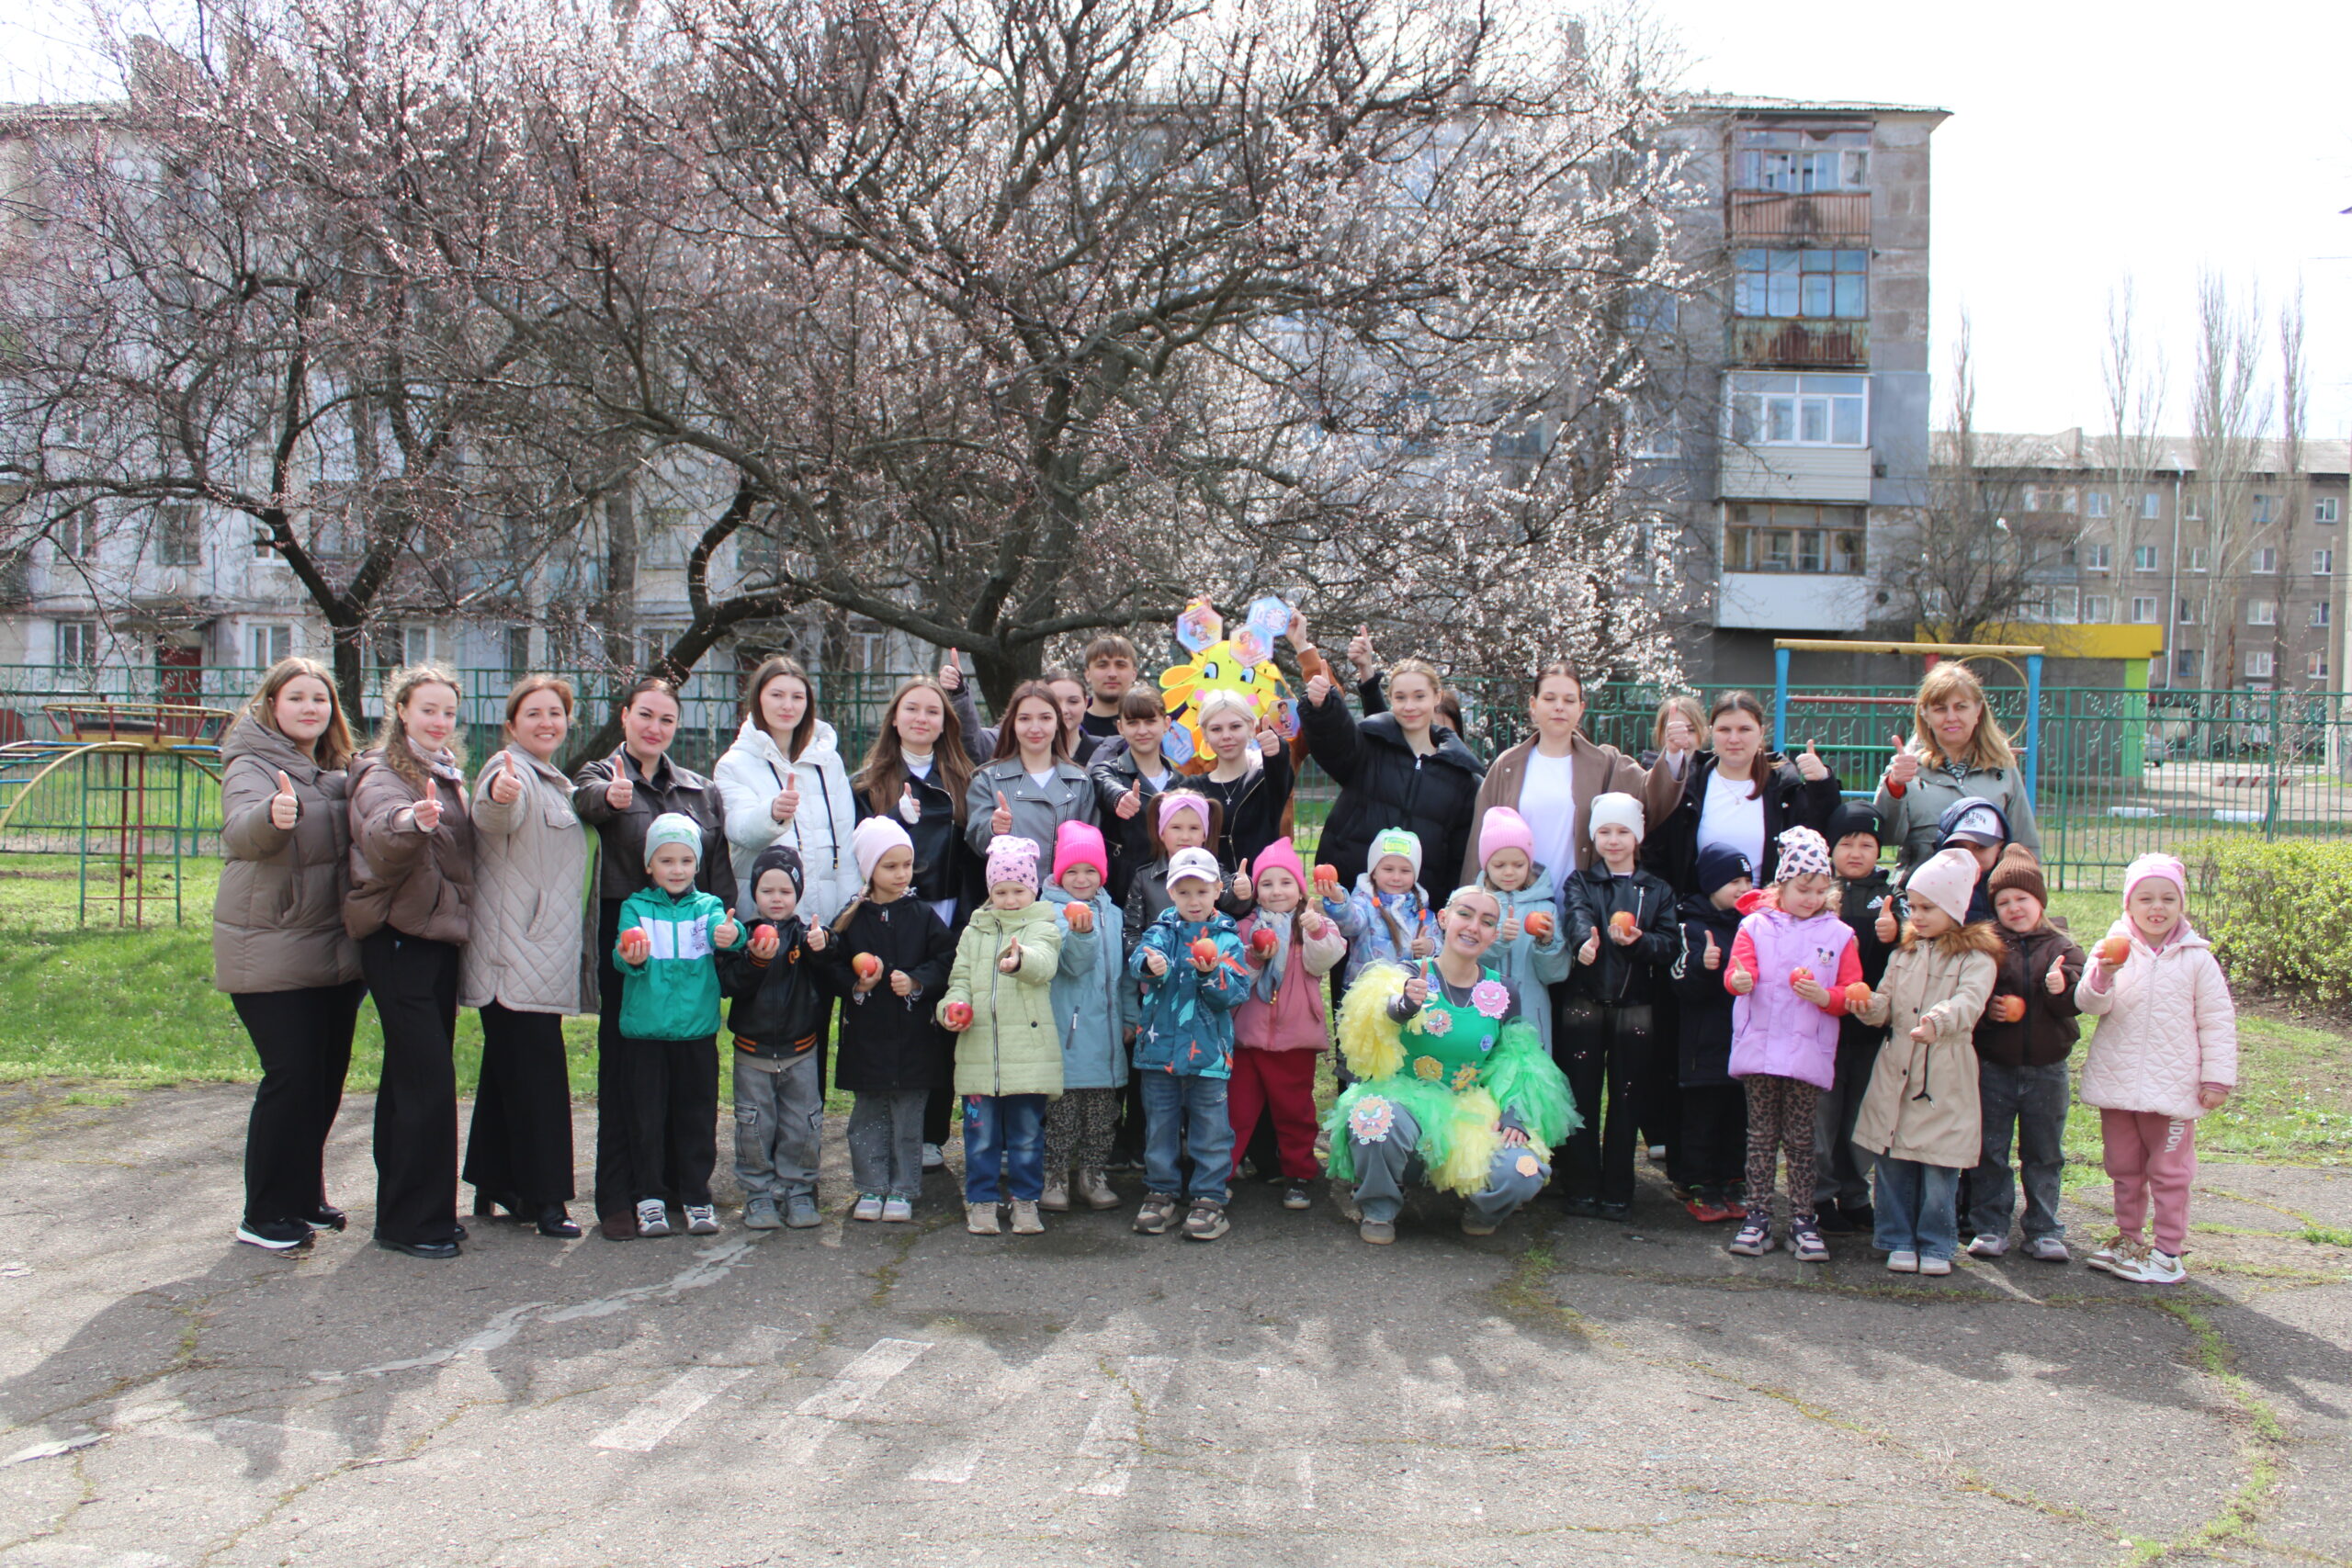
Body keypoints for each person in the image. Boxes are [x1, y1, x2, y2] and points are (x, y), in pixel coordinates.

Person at [1325, 884, 1577, 1245]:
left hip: (1467, 1108)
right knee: (1373, 1118)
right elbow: (1370, 1024)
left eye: (1487, 921)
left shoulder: (1504, 991)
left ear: (1494, 934)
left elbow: (1518, 1059)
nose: (1474, 927)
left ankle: (1483, 1208)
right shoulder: (1407, 972)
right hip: (1404, 1102)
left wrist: (1514, 1112)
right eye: (1465, 914)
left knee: (1524, 1169)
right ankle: (1379, 1205)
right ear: (1444, 918)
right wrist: (1403, 1008)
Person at [573, 677, 731, 1241]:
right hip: (630, 944)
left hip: (688, 954)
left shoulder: (698, 790)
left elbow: (718, 879)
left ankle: (678, 1189)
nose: (654, 728)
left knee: (688, 1078)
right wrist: (609, 798)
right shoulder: (600, 774)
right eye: (645, 715)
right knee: (627, 1075)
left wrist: (726, 935)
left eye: (666, 720)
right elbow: (585, 801)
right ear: (624, 716)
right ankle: (622, 1194)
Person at [216, 658, 365, 1253]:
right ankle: (262, 1211)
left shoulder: (337, 769)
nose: (310, 707)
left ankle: (303, 1193)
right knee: (292, 1076)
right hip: (271, 948)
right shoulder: (251, 764)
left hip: (332, 950)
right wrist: (273, 818)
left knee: (324, 1080)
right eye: (297, 697)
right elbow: (240, 829)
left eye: (320, 698)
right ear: (272, 704)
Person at [344, 664, 475, 1260]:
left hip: (437, 940)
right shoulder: (382, 771)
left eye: (448, 711)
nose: (439, 721)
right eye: (428, 710)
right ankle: (415, 1219)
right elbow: (378, 828)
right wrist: (410, 822)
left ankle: (415, 1210)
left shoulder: (447, 773)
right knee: (426, 1082)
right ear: (401, 710)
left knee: (409, 1079)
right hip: (399, 940)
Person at [459, 675, 595, 1241]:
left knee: (507, 1067)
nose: (546, 722)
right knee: (540, 1074)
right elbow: (492, 814)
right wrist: (499, 798)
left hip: (533, 952)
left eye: (556, 713)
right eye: (533, 713)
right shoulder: (507, 771)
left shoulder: (554, 781)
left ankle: (494, 1180)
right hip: (511, 956)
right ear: (511, 726)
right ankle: (546, 1201)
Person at [2074, 852, 2238, 1285]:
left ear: (2181, 904)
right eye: (2145, 898)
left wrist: (2216, 1078)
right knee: (2123, 1166)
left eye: (2168, 898)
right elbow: (2089, 1004)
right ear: (2128, 906)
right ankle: (2129, 1237)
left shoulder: (2197, 959)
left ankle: (2168, 1252)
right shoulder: (2112, 949)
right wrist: (2103, 975)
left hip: (2173, 1090)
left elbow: (2217, 1021)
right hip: (2120, 1083)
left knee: (2169, 1172)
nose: (2157, 907)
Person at [1850, 847, 1999, 1277]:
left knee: (1939, 1163)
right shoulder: (1905, 954)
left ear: (1954, 907)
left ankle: (1936, 1241)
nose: (1916, 915)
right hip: (1897, 1064)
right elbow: (1885, 1004)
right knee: (1893, 1156)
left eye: (1927, 907)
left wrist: (1939, 1021)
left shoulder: (1976, 958)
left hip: (1943, 1072)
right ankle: (1896, 1236)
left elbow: (1969, 1002)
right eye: (1912, 906)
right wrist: (1865, 1004)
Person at [851, 675, 978, 1175]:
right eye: (912, 709)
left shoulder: (965, 778)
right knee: (894, 1018)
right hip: (891, 914)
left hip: (947, 909)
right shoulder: (867, 782)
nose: (922, 718)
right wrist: (894, 820)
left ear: (945, 721)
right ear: (895, 717)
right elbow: (861, 848)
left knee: (942, 1016)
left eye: (933, 710)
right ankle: (888, 1129)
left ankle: (931, 1134)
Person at [1722, 827, 1861, 1263]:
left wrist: (1830, 999)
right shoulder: (1755, 926)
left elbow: (1853, 989)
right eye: (1804, 889)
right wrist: (1738, 980)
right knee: (1761, 1135)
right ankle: (1758, 1214)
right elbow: (1735, 972)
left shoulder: (1840, 935)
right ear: (1782, 885)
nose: (1812, 898)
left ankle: (1804, 1218)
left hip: (1806, 1052)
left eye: (1821, 890)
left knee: (1802, 1140)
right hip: (1760, 1049)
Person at [612, 814, 747, 1238]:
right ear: (649, 865)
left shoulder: (706, 907)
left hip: (696, 1032)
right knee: (646, 1118)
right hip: (645, 1034)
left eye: (686, 861)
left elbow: (727, 932)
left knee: (696, 1117)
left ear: (697, 865)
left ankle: (696, 1196)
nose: (676, 869)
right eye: (666, 860)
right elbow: (622, 951)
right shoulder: (635, 906)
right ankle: (649, 1198)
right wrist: (629, 958)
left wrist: (732, 934)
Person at [821, 817, 956, 1222]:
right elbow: (830, 965)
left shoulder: (921, 914)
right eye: (889, 866)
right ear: (868, 869)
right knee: (867, 1115)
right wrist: (856, 985)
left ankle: (903, 1188)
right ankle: (870, 1185)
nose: (901, 875)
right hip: (867, 1037)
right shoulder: (852, 916)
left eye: (906, 865)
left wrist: (916, 981)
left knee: (908, 1118)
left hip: (915, 1038)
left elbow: (947, 959)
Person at [1455, 663, 1689, 887]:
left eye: (1569, 700)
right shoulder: (1507, 766)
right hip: (1517, 911)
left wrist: (1673, 754)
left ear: (1581, 709)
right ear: (1533, 705)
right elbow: (1480, 843)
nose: (1559, 707)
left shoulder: (1606, 763)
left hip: (1582, 909)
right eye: (1549, 699)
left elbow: (1650, 799)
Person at [1557, 793, 1678, 1218]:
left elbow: (1669, 945)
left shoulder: (1656, 890)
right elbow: (1575, 915)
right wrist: (1582, 942)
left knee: (1627, 1098)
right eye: (1604, 831)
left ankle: (1619, 1189)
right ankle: (1581, 1184)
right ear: (1593, 836)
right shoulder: (1581, 881)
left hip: (1635, 1007)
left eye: (1622, 831)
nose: (1613, 840)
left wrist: (1641, 941)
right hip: (1584, 1003)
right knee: (1582, 1096)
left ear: (1637, 836)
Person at [939, 836, 1065, 1235]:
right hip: (979, 1052)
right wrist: (950, 1009)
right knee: (979, 1136)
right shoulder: (973, 932)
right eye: (1001, 892)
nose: (1010, 900)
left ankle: (1025, 1202)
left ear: (1033, 889)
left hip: (1027, 1054)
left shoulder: (1043, 927)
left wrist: (1019, 960)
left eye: (1018, 891)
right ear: (990, 892)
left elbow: (1044, 964)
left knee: (1027, 1137)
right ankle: (981, 1201)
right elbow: (959, 980)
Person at [1964, 846, 2084, 1263]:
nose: (2014, 908)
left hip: (2048, 1070)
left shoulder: (2063, 947)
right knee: (1990, 1150)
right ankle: (1991, 1226)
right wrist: (1991, 1012)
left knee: (2045, 1152)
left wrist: (2061, 988)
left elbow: (2077, 1002)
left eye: (2022, 899)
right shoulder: (1987, 946)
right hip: (1995, 1067)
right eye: (2003, 901)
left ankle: (2045, 1228)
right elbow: (1970, 998)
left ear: (2040, 901)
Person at [1126, 846, 1250, 1241]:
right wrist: (1150, 965)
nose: (1193, 901)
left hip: (1209, 1055)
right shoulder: (1160, 932)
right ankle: (1160, 1190)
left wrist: (1211, 975)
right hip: (1158, 1051)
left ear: (1217, 890)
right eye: (1183, 893)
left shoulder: (1227, 939)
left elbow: (1233, 993)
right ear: (1171, 894)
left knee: (1211, 1127)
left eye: (1201, 892)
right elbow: (1139, 961)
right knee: (1159, 1123)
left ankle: (1209, 1197)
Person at [1298, 652, 1484, 900]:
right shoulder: (1370, 745)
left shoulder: (1461, 777)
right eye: (1400, 697)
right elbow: (1334, 743)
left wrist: (1447, 906)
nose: (1409, 706)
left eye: (1419, 696)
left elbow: (1458, 854)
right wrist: (1322, 707)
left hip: (1418, 906)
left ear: (1437, 697)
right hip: (1350, 895)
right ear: (1390, 699)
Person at [718, 845, 831, 1232]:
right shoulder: (743, 937)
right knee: (753, 1125)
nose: (777, 898)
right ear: (755, 894)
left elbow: (828, 975)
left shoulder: (807, 937)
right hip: (753, 1053)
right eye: (767, 890)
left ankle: (798, 1191)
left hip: (801, 1052)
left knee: (803, 1125)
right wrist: (754, 959)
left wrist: (824, 946)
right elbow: (729, 984)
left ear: (797, 894)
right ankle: (758, 1194)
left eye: (785, 890)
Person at [1230, 837, 1347, 1212]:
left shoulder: (1310, 924)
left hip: (1295, 1039)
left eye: (1285, 883)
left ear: (1300, 889)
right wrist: (1256, 957)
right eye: (1267, 883)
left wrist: (1316, 930)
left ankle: (1299, 1174)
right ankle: (1221, 1174)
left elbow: (1322, 961)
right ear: (1256, 891)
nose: (1276, 891)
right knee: (1236, 1111)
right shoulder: (1246, 928)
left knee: (1295, 1112)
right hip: (1246, 1038)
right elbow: (1236, 978)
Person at [1646, 692, 1841, 895]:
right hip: (1701, 915)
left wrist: (1822, 782)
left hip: (1768, 914)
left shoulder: (1784, 788)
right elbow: (1658, 843)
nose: (1734, 739)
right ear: (1712, 733)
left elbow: (1822, 835)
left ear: (1761, 733)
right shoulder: (1689, 785)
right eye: (1724, 729)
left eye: (1744, 729)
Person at [716, 655, 857, 923]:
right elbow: (739, 829)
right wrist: (772, 813)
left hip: (825, 920)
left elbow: (845, 839)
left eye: (797, 697)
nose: (787, 706)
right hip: (764, 921)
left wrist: (847, 911)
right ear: (759, 698)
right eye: (777, 695)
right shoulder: (734, 764)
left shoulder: (828, 761)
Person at [1875, 661, 2043, 880]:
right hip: (1921, 896)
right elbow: (1884, 835)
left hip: (1985, 896)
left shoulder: (2002, 767)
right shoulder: (1906, 765)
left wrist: (2027, 893)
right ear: (1924, 713)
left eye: (1961, 707)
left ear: (1978, 710)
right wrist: (1895, 787)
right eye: (1940, 708)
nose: (1951, 717)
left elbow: (2024, 843)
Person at [1813, 800, 1896, 1235]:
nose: (1857, 852)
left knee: (1859, 1115)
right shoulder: (1819, 895)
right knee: (1822, 1116)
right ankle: (1819, 1195)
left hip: (1870, 1027)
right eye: (1847, 842)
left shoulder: (1893, 898)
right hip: (1824, 1025)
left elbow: (1912, 952)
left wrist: (1895, 934)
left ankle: (1855, 1193)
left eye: (1867, 843)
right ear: (1831, 848)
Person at [1039, 821, 1127, 1213]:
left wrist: (1130, 1015)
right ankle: (1055, 1176)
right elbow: (1073, 966)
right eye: (1071, 871)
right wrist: (1081, 934)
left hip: (1107, 1038)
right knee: (1062, 1116)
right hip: (1069, 1034)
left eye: (1090, 870)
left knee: (1102, 1116)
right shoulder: (1050, 914)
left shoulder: (1116, 914)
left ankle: (1093, 1174)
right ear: (1059, 874)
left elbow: (1123, 975)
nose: (1081, 879)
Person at [1669, 845, 1754, 1224]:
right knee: (1702, 1118)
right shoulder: (1691, 925)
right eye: (1733, 880)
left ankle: (1734, 1179)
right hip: (1703, 1044)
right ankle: (1698, 1182)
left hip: (1745, 1041)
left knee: (1738, 1116)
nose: (1742, 887)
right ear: (1710, 884)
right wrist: (1704, 968)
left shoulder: (1756, 923)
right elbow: (1682, 986)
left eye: (1748, 880)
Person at [966, 679, 1099, 866]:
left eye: (1045, 718)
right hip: (1009, 893)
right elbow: (975, 840)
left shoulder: (1080, 781)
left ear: (1057, 723)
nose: (1035, 728)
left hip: (1065, 893)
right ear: (1012, 723)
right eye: (1025, 718)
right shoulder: (987, 780)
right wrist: (993, 828)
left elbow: (1091, 850)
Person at [1470, 807, 1571, 1052]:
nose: (1509, 872)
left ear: (1529, 864)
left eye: (1518, 864)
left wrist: (1546, 944)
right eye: (1499, 864)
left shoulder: (1545, 908)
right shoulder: (1475, 905)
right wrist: (1497, 941)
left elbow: (1555, 975)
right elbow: (1466, 961)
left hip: (1532, 1013)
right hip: (1483, 1012)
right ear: (1486, 865)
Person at [1087, 686, 1179, 906]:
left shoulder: (1183, 783)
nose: (1142, 730)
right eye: (1133, 722)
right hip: (1121, 894)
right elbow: (1104, 785)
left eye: (1150, 721)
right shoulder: (1107, 770)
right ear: (1120, 727)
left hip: (1173, 894)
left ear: (1166, 724)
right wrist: (1120, 797)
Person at [1190, 689, 1295, 872]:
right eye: (1216, 729)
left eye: (1235, 726)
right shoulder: (1192, 788)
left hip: (1262, 893)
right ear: (1205, 734)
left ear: (1251, 727)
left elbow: (1281, 769)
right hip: (1211, 895)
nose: (1226, 736)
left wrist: (1278, 750)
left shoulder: (1266, 781)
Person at [1322, 827, 1440, 987]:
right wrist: (1338, 900)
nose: (1396, 877)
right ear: (1374, 872)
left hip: (1409, 997)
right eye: (1388, 869)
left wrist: (1430, 946)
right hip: (1365, 996)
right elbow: (1350, 924)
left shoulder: (1423, 914)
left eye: (1405, 871)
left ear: (1415, 874)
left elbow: (1443, 948)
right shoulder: (1364, 903)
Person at [1122, 789, 1239, 937]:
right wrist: (1146, 958)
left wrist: (1241, 890)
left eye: (1194, 828)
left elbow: (1234, 903)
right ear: (1162, 832)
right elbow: (1132, 930)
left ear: (1205, 834)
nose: (1185, 837)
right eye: (1176, 828)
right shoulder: (1144, 878)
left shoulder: (1215, 872)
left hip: (1206, 956)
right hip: (1160, 956)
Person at [1076, 635, 1142, 753]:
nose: (1112, 674)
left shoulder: (1153, 727)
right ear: (1087, 674)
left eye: (1120, 665)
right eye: (1102, 665)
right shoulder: (1071, 728)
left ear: (1134, 674)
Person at [1045, 668, 1099, 764]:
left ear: (1086, 703)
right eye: (1055, 702)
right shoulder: (1030, 753)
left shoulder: (1103, 753)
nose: (1063, 710)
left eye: (1073, 701)